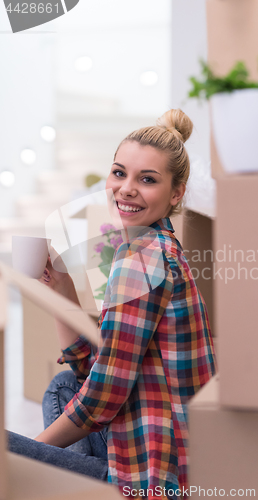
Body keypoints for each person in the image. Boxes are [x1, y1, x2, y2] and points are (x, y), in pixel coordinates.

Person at [7, 108, 217, 500]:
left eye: (147, 179)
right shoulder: (157, 245)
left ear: (176, 193)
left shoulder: (144, 260)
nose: (126, 188)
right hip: (164, 452)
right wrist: (62, 286)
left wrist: (26, 459)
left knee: (8, 449)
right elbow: (92, 366)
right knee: (64, 386)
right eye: (119, 173)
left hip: (150, 480)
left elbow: (103, 398)